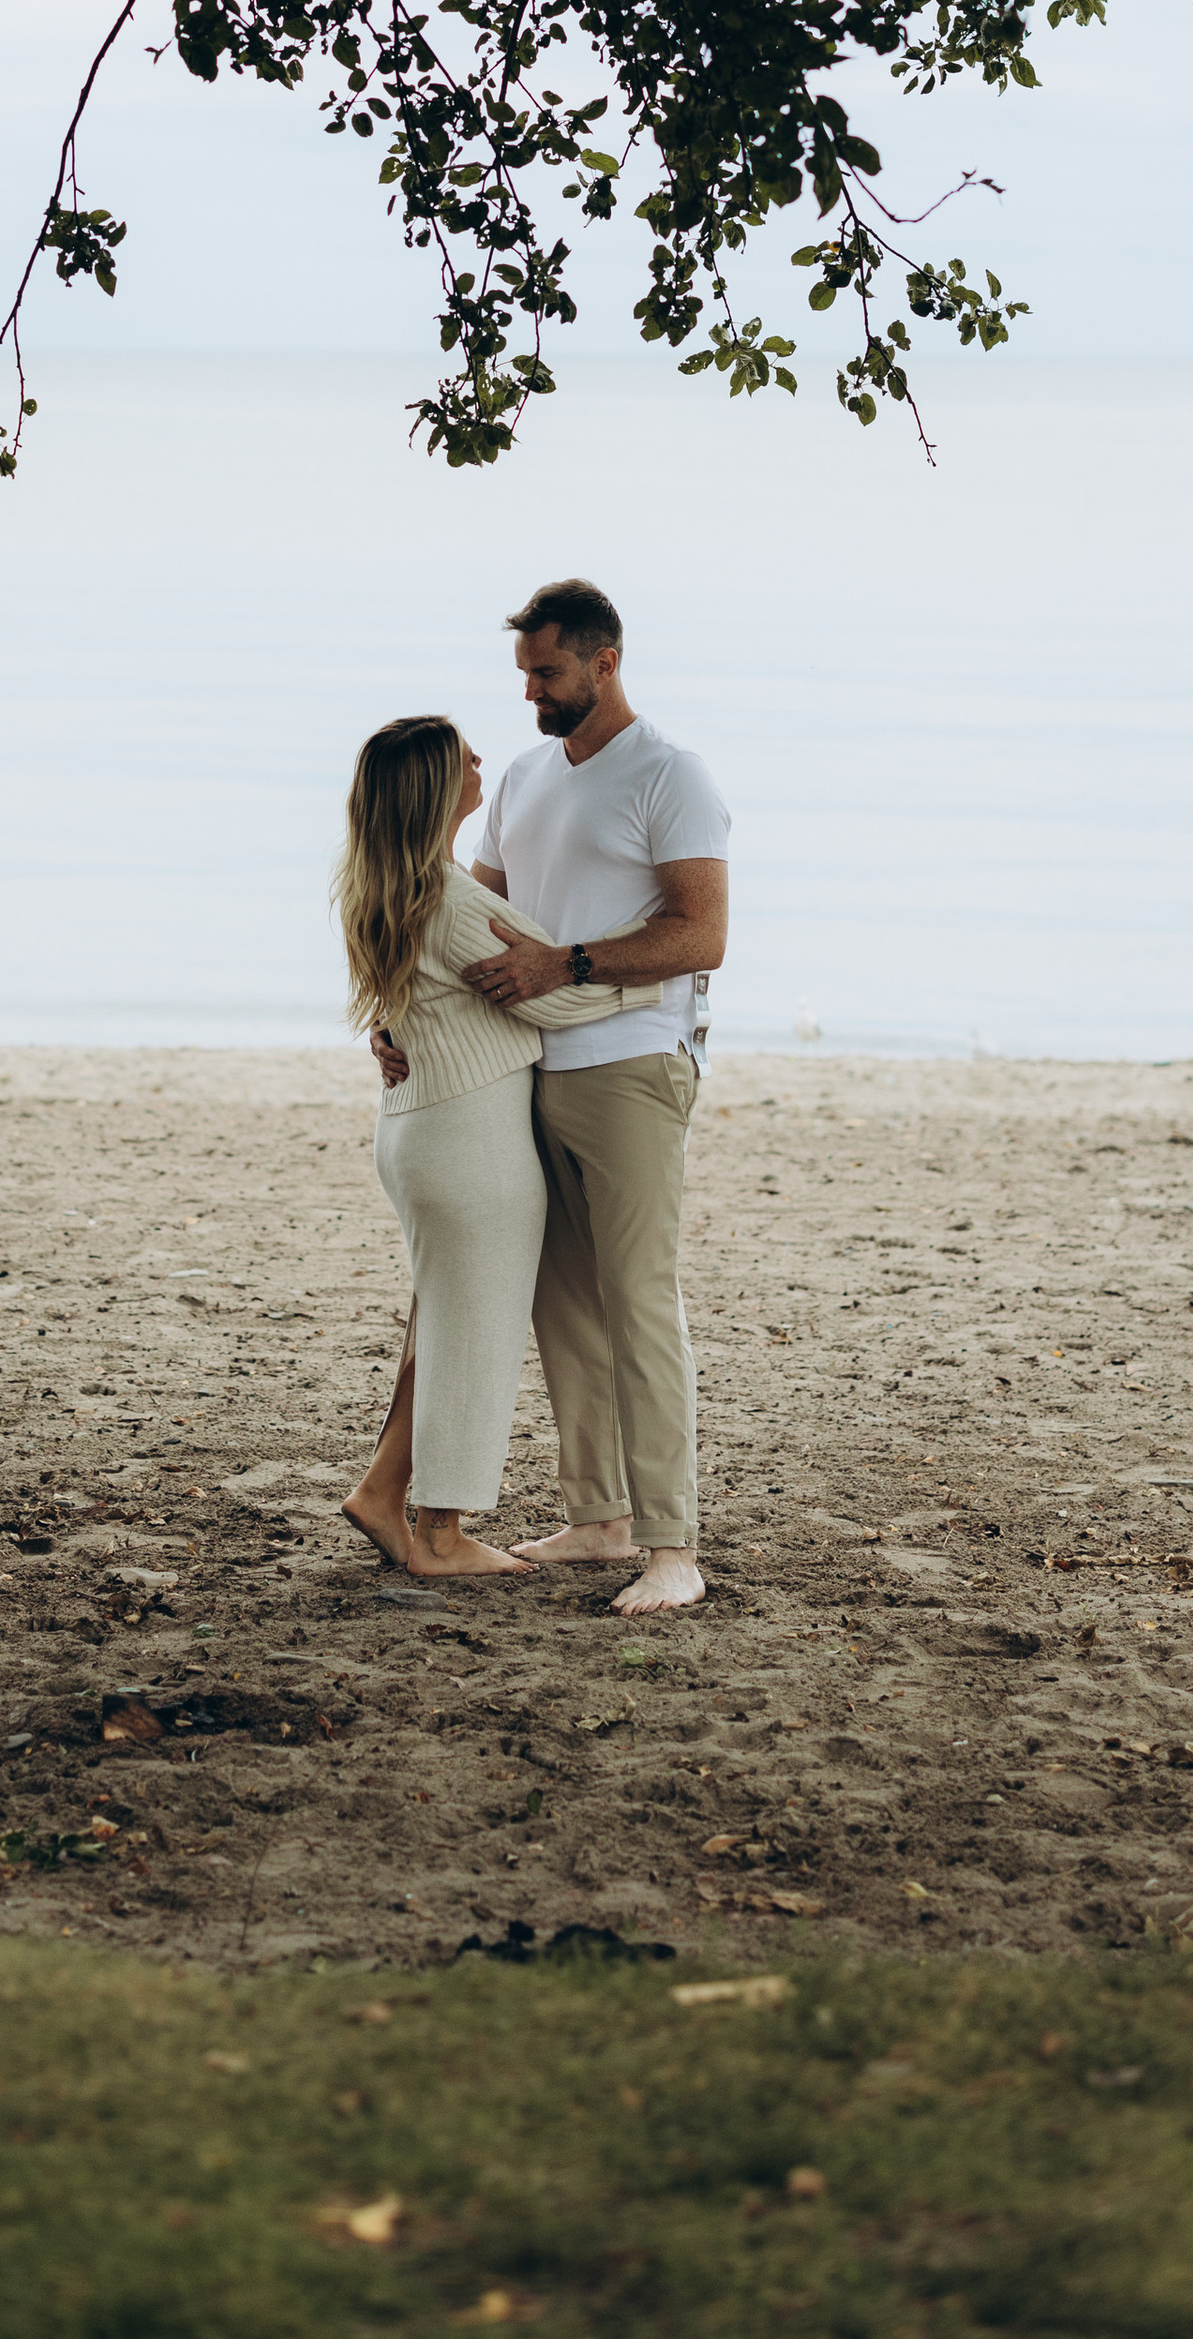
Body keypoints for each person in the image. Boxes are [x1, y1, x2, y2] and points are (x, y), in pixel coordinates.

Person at [333, 715, 661, 1581]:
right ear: (434, 790)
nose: (482, 760)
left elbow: (421, 1003)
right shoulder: (451, 900)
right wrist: (650, 987)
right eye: (463, 757)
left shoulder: (386, 888)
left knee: (445, 1325)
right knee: (474, 1336)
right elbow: (549, 995)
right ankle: (440, 1534)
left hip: (418, 1132)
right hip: (469, 1143)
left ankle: (381, 1492)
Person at [460, 580, 729, 1615]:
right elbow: (476, 915)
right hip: (528, 1068)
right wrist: (402, 1014)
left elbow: (699, 934)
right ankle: (601, 1516)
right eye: (524, 674)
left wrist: (562, 964)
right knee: (563, 1303)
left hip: (632, 1068)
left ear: (604, 664)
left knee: (638, 1303)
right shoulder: (523, 777)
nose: (531, 691)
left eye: (547, 673)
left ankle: (672, 1548)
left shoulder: (669, 774)